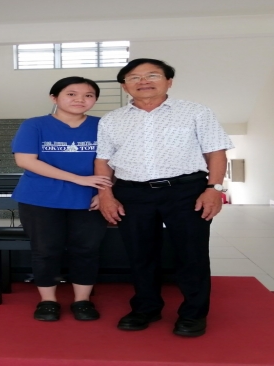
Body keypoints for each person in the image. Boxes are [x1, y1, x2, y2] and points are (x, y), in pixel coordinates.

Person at [95, 58, 234, 337]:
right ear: (124, 86)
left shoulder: (196, 112)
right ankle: (146, 307)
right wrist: (105, 195)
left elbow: (216, 152)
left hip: (185, 191)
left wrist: (214, 188)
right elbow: (103, 159)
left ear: (169, 81)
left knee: (191, 254)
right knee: (139, 253)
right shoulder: (112, 120)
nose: (143, 81)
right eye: (134, 77)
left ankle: (193, 314)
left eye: (152, 75)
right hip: (131, 192)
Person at [11, 76, 112, 322]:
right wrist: (78, 179)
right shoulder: (34, 125)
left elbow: (116, 161)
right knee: (45, 250)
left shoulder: (105, 125)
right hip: (40, 199)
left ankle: (82, 301)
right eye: (71, 94)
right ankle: (48, 301)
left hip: (90, 200)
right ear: (54, 98)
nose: (80, 99)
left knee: (87, 250)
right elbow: (25, 160)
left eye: (88, 95)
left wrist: (105, 192)